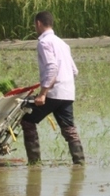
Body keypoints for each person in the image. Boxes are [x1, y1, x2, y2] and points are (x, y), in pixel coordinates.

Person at [21, 11, 85, 165]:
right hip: (67, 93)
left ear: (38, 23)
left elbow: (52, 67)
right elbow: (74, 71)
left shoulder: (44, 43)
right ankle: (80, 162)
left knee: (28, 120)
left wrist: (43, 94)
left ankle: (34, 163)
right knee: (69, 129)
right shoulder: (62, 43)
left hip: (53, 93)